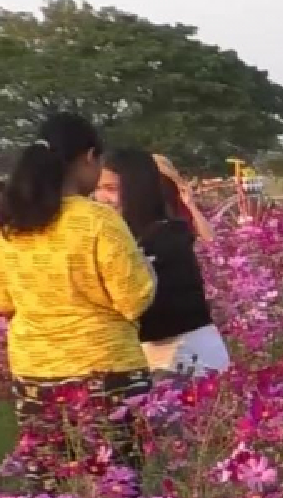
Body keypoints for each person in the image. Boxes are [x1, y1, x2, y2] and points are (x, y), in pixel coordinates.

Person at [0, 112, 156, 493]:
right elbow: (134, 298)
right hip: (106, 369)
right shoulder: (98, 220)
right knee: (115, 487)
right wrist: (149, 271)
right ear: (89, 157)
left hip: (35, 371)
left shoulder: (8, 226)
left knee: (47, 484)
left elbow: (0, 301)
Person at [96, 148, 231, 377]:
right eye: (97, 189)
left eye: (111, 189)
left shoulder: (167, 239)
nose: (101, 198)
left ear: (137, 190)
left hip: (187, 358)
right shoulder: (125, 236)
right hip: (152, 357)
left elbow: (156, 313)